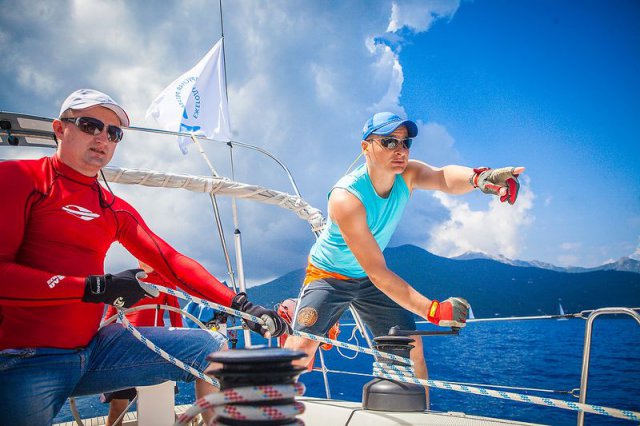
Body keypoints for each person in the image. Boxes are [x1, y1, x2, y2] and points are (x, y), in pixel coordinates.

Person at [0, 89, 288, 426]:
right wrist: (96, 287)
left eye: (113, 132)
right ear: (59, 129)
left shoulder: (112, 208)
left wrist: (242, 306)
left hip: (94, 350)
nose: (102, 138)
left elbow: (171, 261)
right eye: (90, 125)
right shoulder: (18, 179)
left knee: (214, 350)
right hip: (26, 357)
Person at [284, 111, 524, 406]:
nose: (400, 150)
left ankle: (421, 415)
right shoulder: (346, 198)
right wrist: (433, 310)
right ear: (365, 147)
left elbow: (442, 177)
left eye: (405, 142)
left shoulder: (407, 174)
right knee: (302, 349)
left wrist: (479, 177)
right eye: (388, 142)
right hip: (329, 275)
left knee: (410, 346)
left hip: (368, 277)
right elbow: (378, 272)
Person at [101, 261, 183, 426]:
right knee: (118, 407)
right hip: (125, 350)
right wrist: (101, 344)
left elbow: (176, 317)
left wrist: (178, 348)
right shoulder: (126, 279)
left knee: (161, 404)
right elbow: (110, 316)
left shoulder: (166, 282)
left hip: (155, 348)